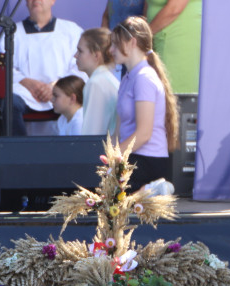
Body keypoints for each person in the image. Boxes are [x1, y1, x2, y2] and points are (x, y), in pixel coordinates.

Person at [111, 17, 179, 192]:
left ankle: (152, 190)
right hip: (132, 157)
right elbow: (119, 130)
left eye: (115, 44)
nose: (111, 50)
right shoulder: (127, 78)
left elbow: (144, 134)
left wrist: (113, 157)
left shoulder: (144, 78)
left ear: (131, 43)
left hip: (147, 161)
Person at [6, 0, 84, 136]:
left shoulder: (71, 31)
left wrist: (55, 86)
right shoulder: (11, 33)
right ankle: (18, 154)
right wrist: (28, 83)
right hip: (25, 93)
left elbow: (81, 67)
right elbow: (2, 67)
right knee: (8, 104)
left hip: (63, 91)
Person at [146, 0, 202, 94]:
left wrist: (144, 34)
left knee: (175, 95)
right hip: (155, 35)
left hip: (179, 36)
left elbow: (175, 8)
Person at [75, 28, 119, 136]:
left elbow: (91, 135)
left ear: (96, 55)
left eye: (80, 51)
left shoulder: (96, 83)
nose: (75, 55)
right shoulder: (106, 79)